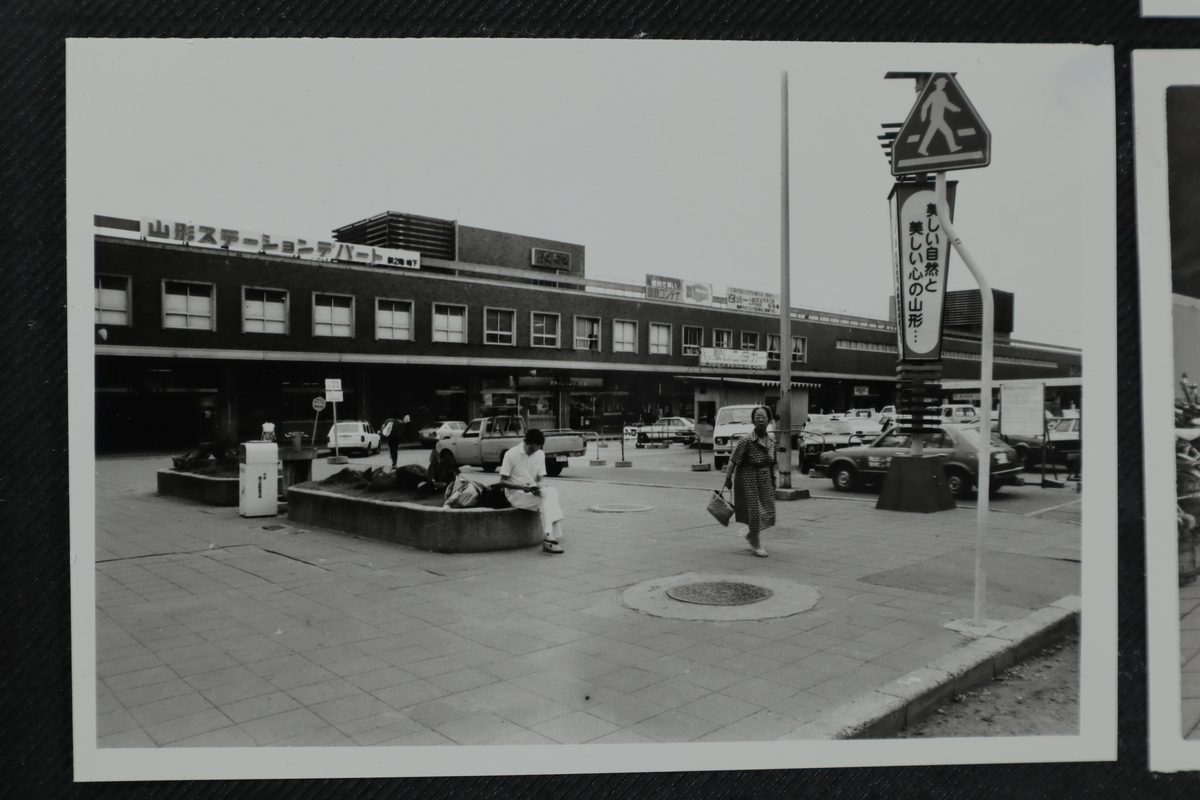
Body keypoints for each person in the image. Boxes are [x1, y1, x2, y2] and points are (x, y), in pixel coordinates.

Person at [720, 405, 777, 557]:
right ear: (752, 420)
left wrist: (773, 479)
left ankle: (751, 535)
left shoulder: (771, 441)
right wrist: (728, 479)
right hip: (748, 480)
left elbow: (772, 463)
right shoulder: (746, 441)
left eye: (763, 417)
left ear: (769, 420)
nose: (760, 420)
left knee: (767, 512)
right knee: (755, 512)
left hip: (764, 481)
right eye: (757, 417)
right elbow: (732, 460)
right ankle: (757, 545)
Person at [498, 428, 566, 554]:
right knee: (548, 500)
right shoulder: (511, 454)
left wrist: (540, 487)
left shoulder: (539, 454)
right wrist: (521, 487)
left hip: (531, 491)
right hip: (515, 494)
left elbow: (540, 479)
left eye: (536, 450)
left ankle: (548, 535)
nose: (532, 453)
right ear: (525, 442)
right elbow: (502, 481)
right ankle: (550, 537)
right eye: (531, 449)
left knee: (552, 492)